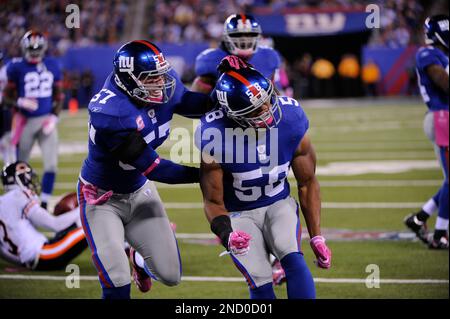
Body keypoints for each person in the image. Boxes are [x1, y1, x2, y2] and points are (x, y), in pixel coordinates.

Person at [78, 40, 210, 299]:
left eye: (159, 75)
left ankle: (139, 261)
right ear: (129, 80)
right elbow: (156, 168)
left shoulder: (161, 84)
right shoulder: (112, 112)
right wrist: (206, 174)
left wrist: (226, 101)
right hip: (102, 198)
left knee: (171, 276)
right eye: (150, 79)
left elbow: (190, 104)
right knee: (116, 280)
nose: (160, 83)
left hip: (139, 192)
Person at [195, 56, 332, 299]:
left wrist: (317, 235)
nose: (268, 111)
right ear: (233, 114)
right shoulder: (213, 135)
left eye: (267, 100)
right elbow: (213, 202)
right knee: (259, 279)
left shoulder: (290, 118)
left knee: (292, 256)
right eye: (256, 109)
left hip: (278, 203)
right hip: (240, 214)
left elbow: (307, 182)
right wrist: (227, 234)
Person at [3, 31, 64, 209]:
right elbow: (5, 97)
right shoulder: (16, 67)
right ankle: (22, 202)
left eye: (38, 48)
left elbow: (59, 96)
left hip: (46, 121)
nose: (35, 51)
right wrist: (19, 101)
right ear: (24, 48)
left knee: (52, 165)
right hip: (24, 121)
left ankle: (44, 203)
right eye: (32, 48)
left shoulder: (52, 65)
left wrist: (54, 116)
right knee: (21, 167)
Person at [404, 15, 449, 249]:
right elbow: (445, 83)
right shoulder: (428, 54)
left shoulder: (440, 55)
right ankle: (440, 233)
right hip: (442, 117)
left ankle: (420, 217)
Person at [0, 161, 87, 270]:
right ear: (16, 179)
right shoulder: (18, 195)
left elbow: (2, 251)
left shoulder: (4, 203)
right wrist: (85, 207)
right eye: (27, 178)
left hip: (35, 260)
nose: (30, 181)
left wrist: (24, 264)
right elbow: (55, 224)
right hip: (46, 254)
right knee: (91, 223)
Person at [192, 14, 282, 95]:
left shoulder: (269, 56)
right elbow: (198, 96)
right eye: (238, 34)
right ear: (226, 37)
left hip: (259, 108)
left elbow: (276, 91)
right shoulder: (211, 59)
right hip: (222, 108)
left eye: (250, 34)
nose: (244, 39)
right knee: (200, 83)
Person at [0, 50, 16, 165]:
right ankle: (7, 163)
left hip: (6, 106)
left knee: (9, 137)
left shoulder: (6, 71)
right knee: (3, 139)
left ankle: (13, 162)